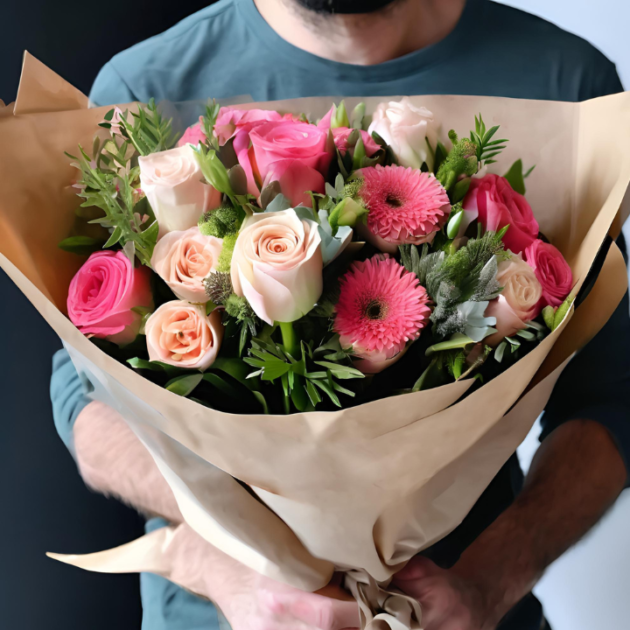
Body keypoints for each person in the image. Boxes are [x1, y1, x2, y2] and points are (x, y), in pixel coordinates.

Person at [51, 1, 630, 629]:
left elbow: (610, 396)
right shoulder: (144, 91)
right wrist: (222, 567)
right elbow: (87, 396)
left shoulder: (566, 83)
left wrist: (488, 581)